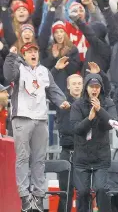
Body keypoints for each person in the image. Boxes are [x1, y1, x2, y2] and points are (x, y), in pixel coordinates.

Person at [4, 43, 70, 212]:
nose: (33, 54)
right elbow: (8, 75)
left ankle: (39, 196)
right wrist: (11, 56)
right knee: (23, 158)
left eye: (35, 51)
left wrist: (61, 100)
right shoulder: (19, 69)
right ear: (24, 55)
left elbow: (53, 89)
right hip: (22, 118)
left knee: (39, 160)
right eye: (29, 52)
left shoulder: (44, 71)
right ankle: (25, 195)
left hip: (40, 119)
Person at [70, 73, 116, 212]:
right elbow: (76, 129)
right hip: (82, 156)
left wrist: (100, 110)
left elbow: (112, 123)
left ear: (101, 88)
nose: (94, 90)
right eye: (91, 86)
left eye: (97, 87)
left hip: (101, 155)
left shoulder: (108, 103)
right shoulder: (77, 104)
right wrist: (89, 119)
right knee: (82, 192)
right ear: (86, 88)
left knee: (101, 189)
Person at [55, 73, 83, 212]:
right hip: (67, 152)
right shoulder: (63, 103)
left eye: (79, 83)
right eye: (74, 83)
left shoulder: (88, 103)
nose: (77, 86)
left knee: (83, 193)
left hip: (83, 153)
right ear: (68, 86)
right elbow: (66, 129)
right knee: (65, 192)